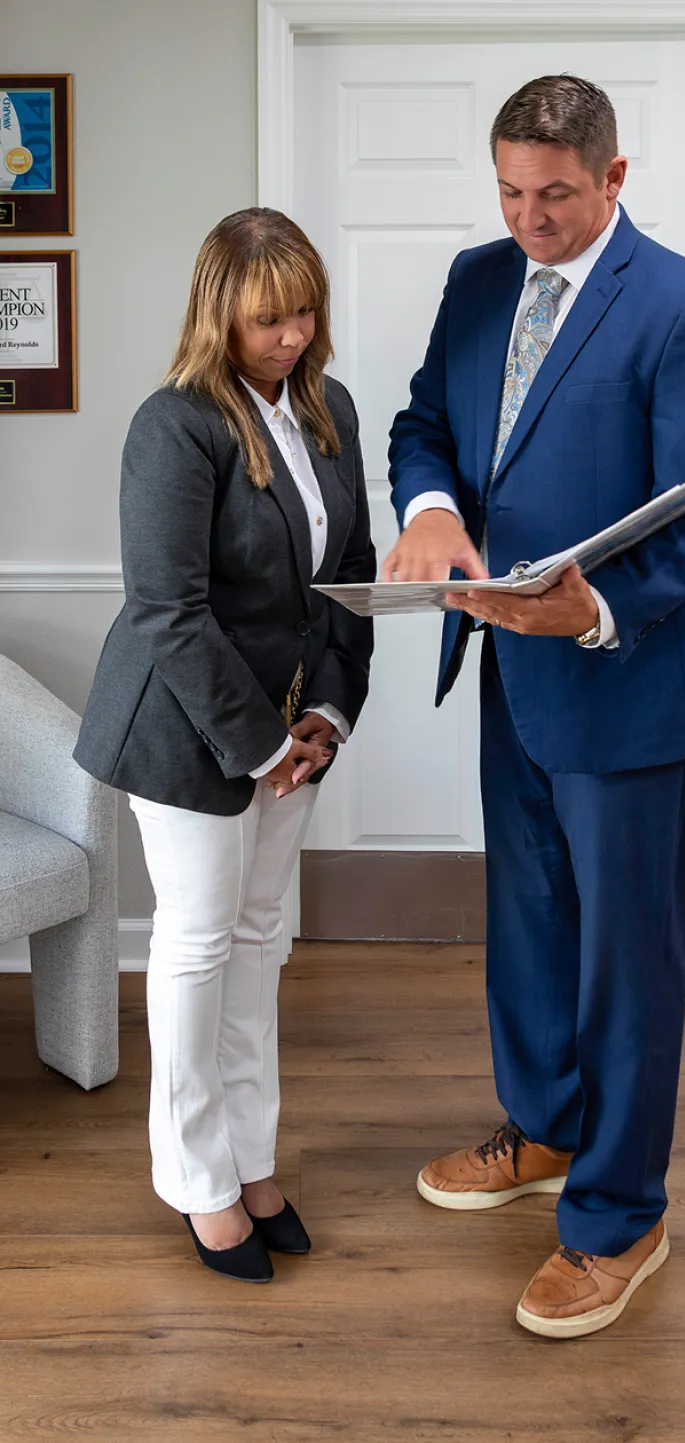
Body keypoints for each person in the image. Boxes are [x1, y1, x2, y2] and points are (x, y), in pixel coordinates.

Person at [385, 75, 685, 1338]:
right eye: (508, 190)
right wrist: (431, 510)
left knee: (627, 961)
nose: (528, 218)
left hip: (633, 675)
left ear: (614, 178)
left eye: (553, 194)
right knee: (532, 924)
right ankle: (546, 1131)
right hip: (509, 666)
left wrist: (594, 609)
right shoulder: (478, 280)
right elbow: (424, 424)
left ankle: (619, 1218)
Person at [74, 208, 375, 1283]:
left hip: (294, 730)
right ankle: (199, 1181)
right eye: (267, 320)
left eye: (304, 313)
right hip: (189, 733)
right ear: (220, 315)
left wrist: (328, 716)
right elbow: (167, 609)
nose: (290, 336)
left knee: (257, 943)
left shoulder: (328, 408)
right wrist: (259, 748)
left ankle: (254, 1160)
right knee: (200, 947)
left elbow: (351, 575)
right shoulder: (176, 424)